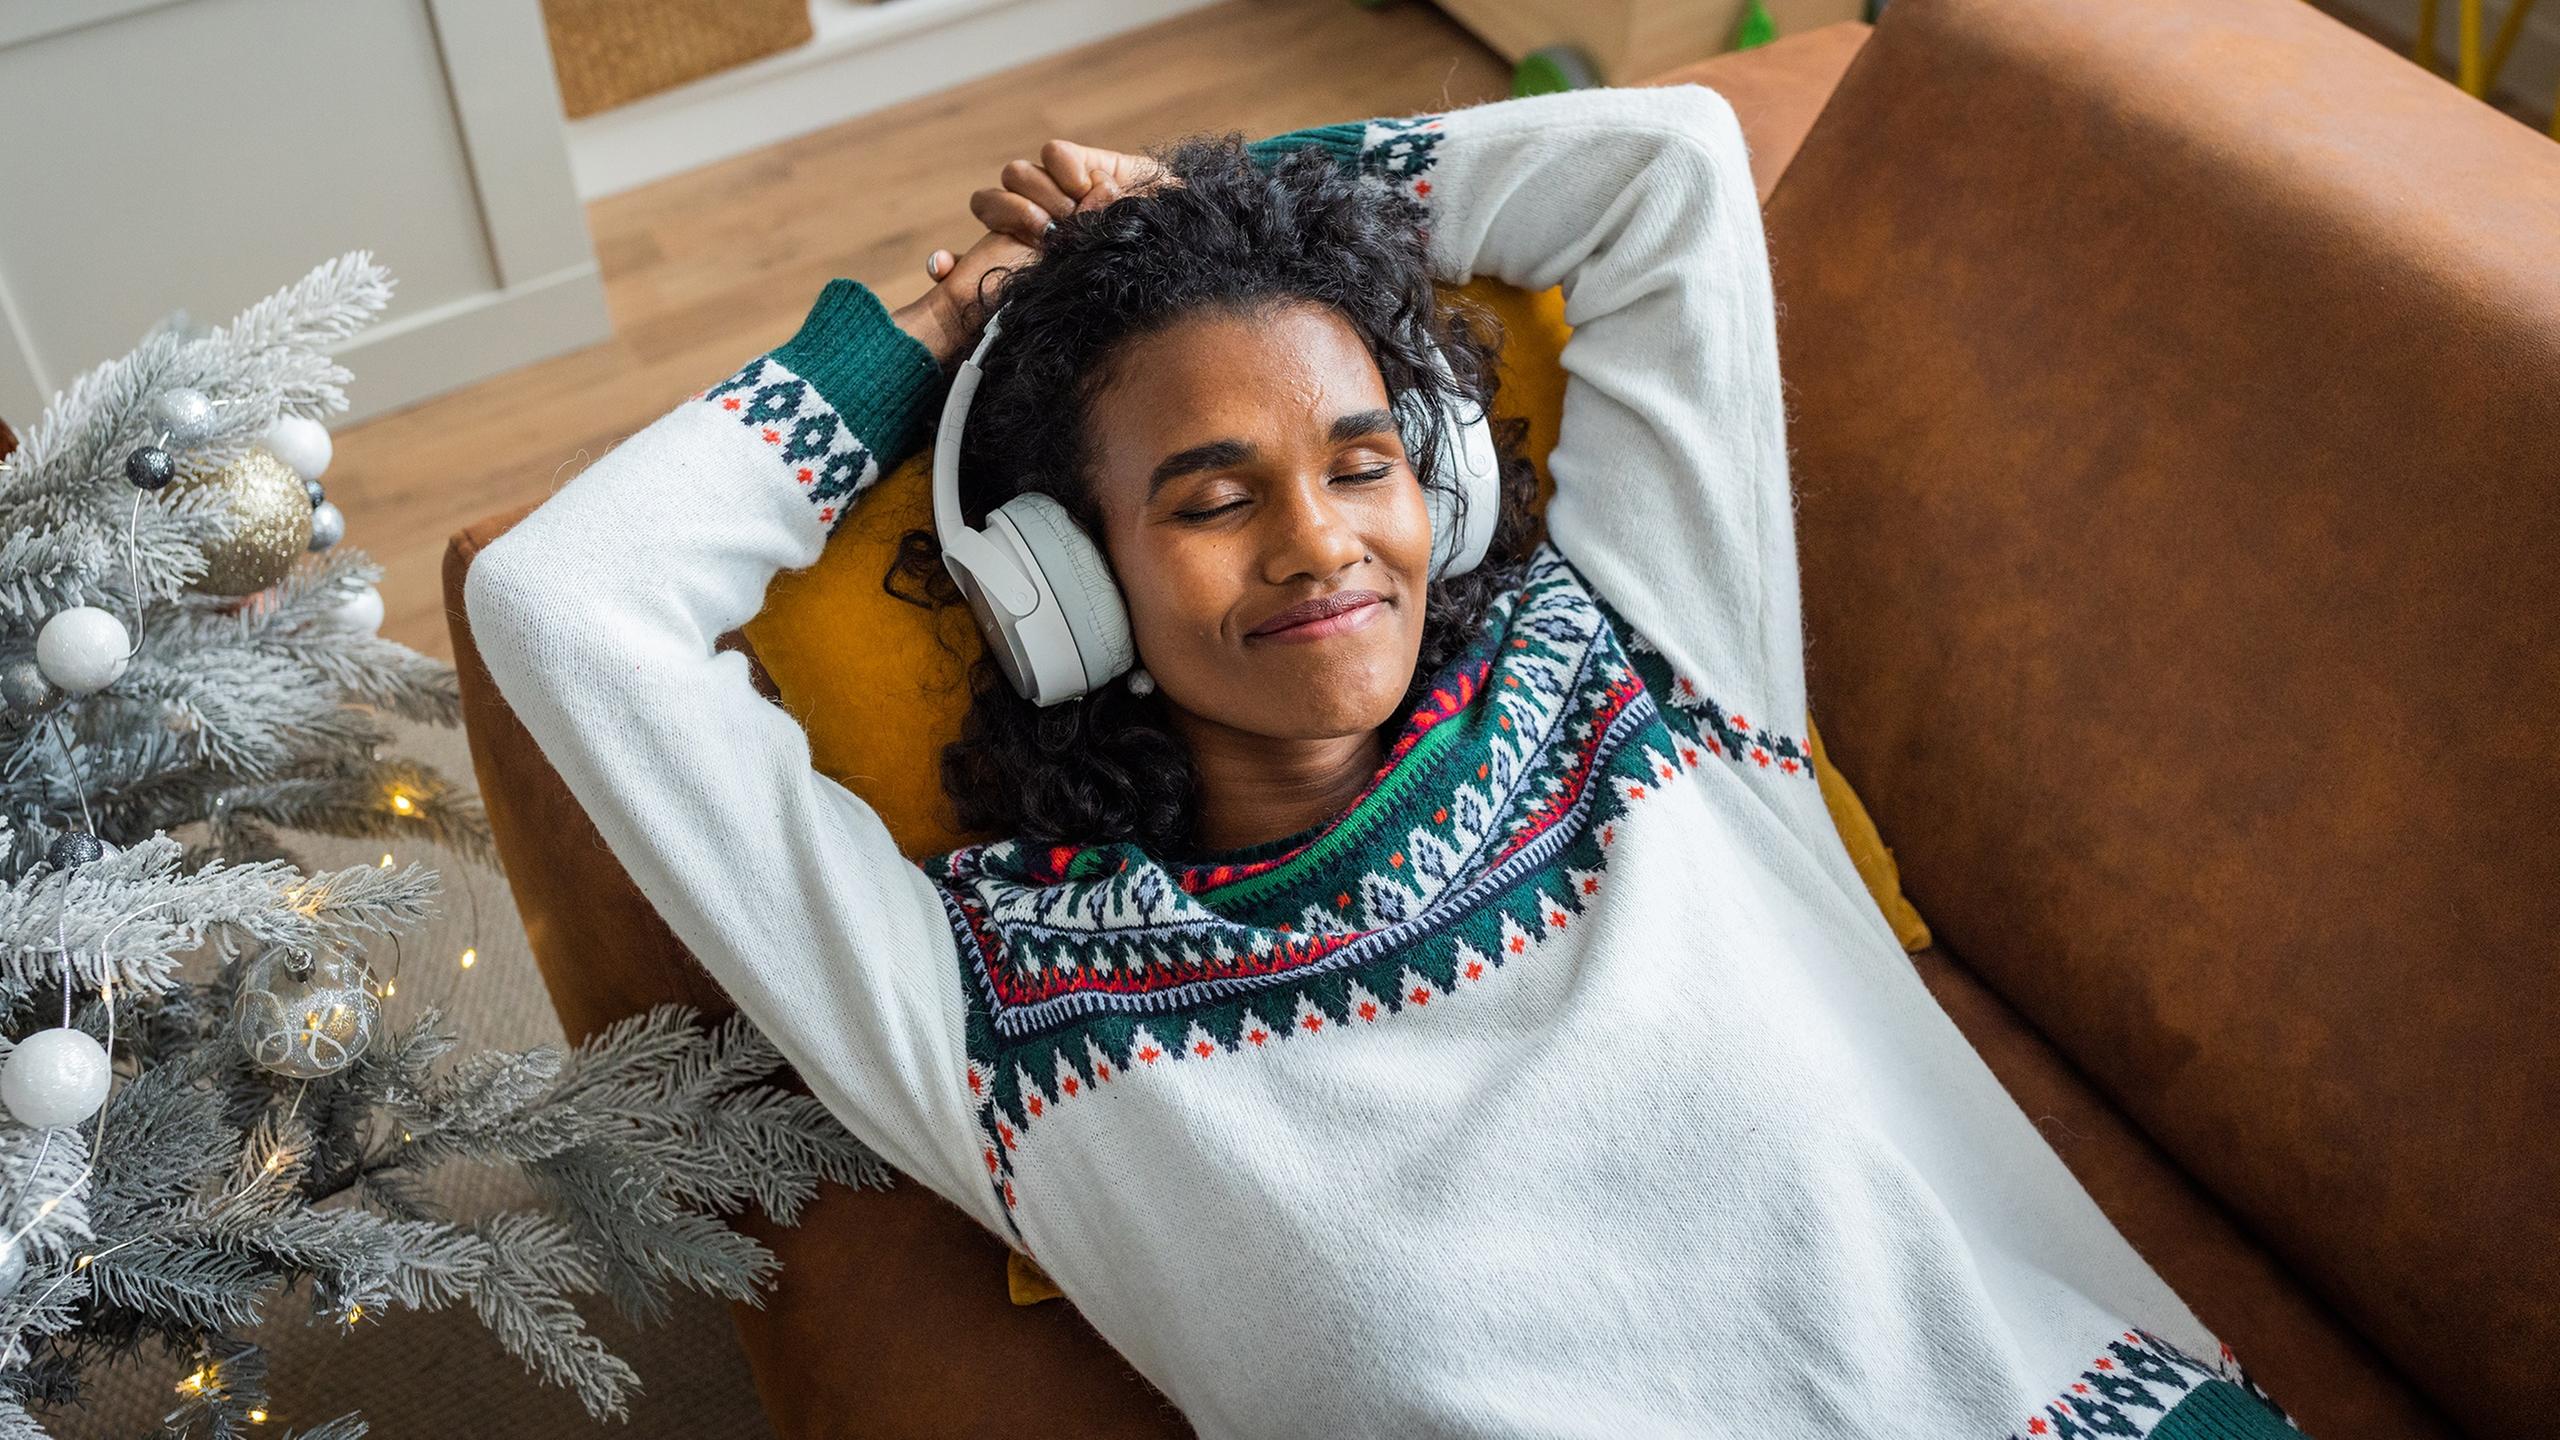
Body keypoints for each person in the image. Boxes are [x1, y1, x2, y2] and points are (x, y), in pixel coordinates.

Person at [465, 84, 2304, 1440]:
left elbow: (1659, 175)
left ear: (1443, 478)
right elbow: (570, 601)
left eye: (1361, 462)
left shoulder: (1648, 674)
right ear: (1061, 586)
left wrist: (1216, 206)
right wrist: (943, 324)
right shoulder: (994, 1009)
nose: (1320, 544)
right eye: (1207, 498)